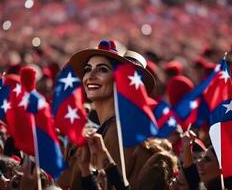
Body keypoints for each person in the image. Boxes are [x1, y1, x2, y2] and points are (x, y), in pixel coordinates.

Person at [57, 40, 175, 189]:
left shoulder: (117, 132)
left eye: (102, 70)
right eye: (88, 69)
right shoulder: (108, 129)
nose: (90, 76)